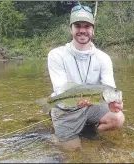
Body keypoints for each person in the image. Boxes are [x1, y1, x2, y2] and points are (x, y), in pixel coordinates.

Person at [47, 4, 125, 151]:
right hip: (66, 108)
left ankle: (87, 131)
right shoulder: (56, 55)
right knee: (74, 153)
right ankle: (58, 135)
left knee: (118, 118)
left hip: (91, 105)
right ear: (71, 28)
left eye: (87, 26)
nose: (82, 30)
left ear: (93, 30)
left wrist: (115, 103)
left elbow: (109, 85)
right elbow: (60, 88)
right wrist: (74, 101)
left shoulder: (104, 58)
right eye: (77, 26)